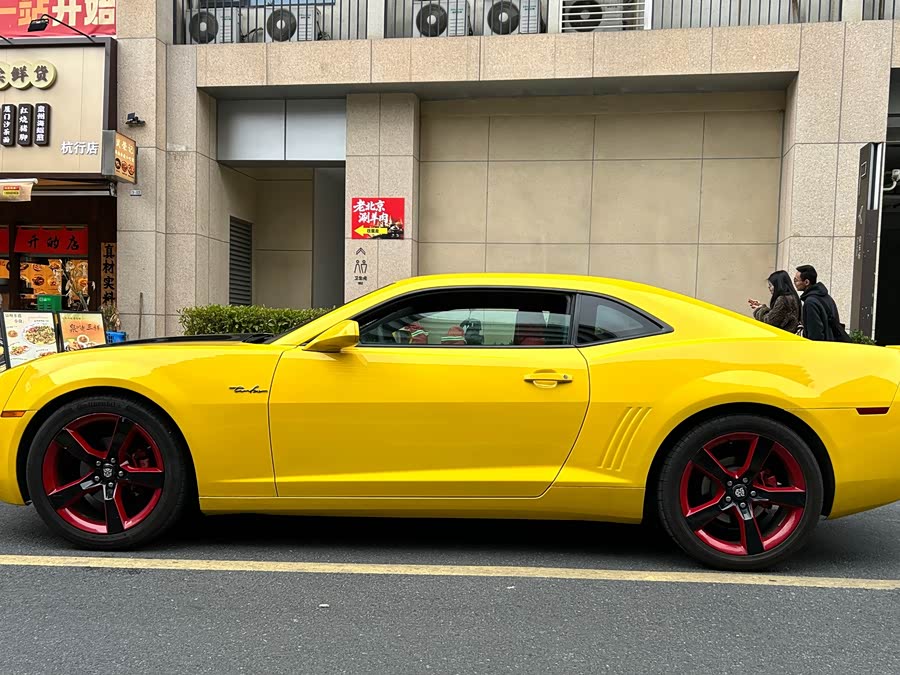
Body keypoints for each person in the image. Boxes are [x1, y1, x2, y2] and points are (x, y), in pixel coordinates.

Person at [792, 265, 850, 342]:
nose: (794, 283)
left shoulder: (810, 302)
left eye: (796, 280)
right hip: (831, 345)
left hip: (820, 349)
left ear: (806, 282)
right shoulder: (827, 297)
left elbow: (815, 333)